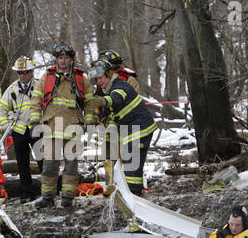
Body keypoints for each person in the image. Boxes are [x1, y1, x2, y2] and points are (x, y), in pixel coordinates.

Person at [29, 42, 100, 208]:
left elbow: (90, 103)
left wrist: (89, 120)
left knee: (71, 165)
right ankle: (47, 197)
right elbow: (36, 100)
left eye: (66, 58)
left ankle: (68, 197)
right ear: (56, 59)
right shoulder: (47, 78)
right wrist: (34, 120)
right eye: (60, 58)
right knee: (49, 165)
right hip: (51, 127)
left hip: (73, 127)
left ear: (71, 59)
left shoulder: (81, 79)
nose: (63, 61)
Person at [89, 59, 157, 196]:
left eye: (100, 78)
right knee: (131, 164)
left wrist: (102, 101)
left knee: (132, 165)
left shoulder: (120, 85)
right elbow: (115, 116)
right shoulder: (107, 90)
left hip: (140, 128)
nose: (99, 82)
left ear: (109, 74)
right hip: (132, 129)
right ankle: (133, 195)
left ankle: (133, 196)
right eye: (96, 80)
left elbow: (116, 99)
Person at [0, 55, 43, 204]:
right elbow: (1, 108)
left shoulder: (39, 86)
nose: (22, 76)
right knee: (23, 164)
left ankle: (48, 192)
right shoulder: (12, 89)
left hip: (37, 129)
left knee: (44, 162)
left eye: (26, 72)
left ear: (32, 72)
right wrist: (6, 125)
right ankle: (27, 193)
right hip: (19, 131)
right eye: (20, 72)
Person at [95, 50, 140, 196]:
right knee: (107, 155)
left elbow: (133, 102)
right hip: (107, 123)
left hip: (124, 123)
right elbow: (98, 101)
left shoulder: (128, 80)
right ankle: (110, 185)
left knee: (126, 155)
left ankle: (126, 187)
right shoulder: (101, 81)